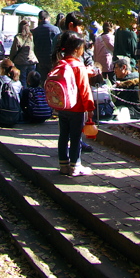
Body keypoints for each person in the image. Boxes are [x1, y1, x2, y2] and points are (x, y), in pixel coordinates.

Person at [51, 33, 95, 176]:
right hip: (77, 108)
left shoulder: (60, 63)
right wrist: (90, 108)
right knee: (76, 137)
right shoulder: (78, 66)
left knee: (63, 135)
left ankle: (63, 165)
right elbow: (84, 89)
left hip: (62, 106)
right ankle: (75, 166)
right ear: (77, 49)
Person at [9, 17, 38, 85]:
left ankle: (24, 94)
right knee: (32, 80)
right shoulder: (31, 37)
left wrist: (12, 59)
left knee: (22, 80)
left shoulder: (18, 37)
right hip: (31, 60)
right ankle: (32, 94)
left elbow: (14, 50)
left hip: (21, 62)